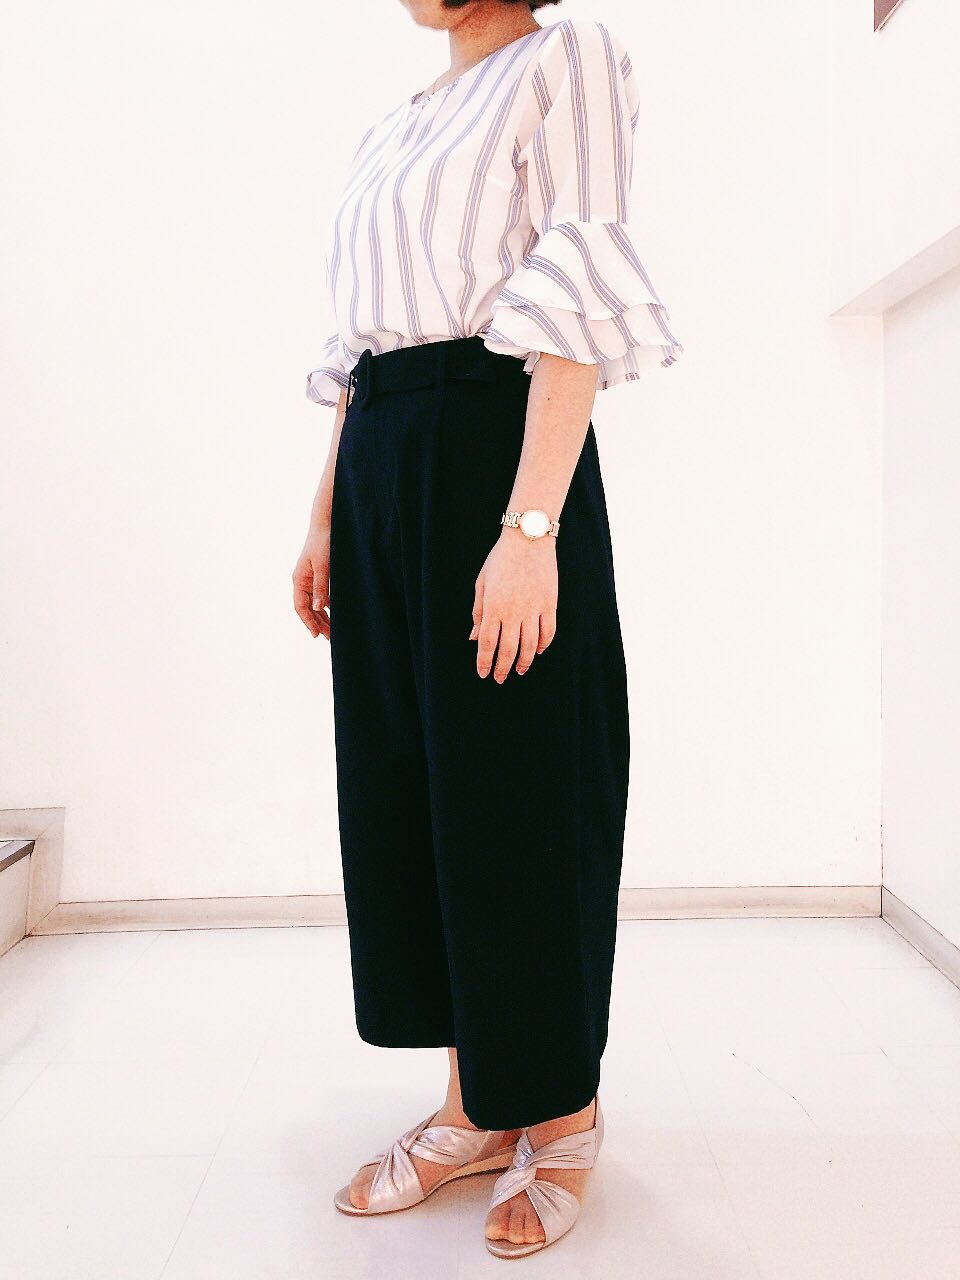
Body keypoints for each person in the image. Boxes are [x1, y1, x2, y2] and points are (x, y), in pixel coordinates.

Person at [293, 0, 683, 1259]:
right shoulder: (396, 124)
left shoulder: (567, 58)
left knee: (519, 786)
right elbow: (364, 345)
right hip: (383, 457)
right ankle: (474, 1103)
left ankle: (559, 1112)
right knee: (411, 789)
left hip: (494, 448)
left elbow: (576, 295)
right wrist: (325, 513)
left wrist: (530, 528)